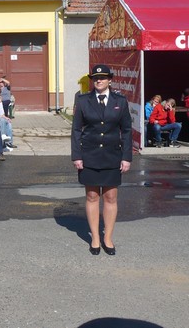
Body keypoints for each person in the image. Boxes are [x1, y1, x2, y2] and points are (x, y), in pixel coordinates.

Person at [71, 64, 132, 256]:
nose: (99, 80)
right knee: (92, 196)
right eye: (96, 78)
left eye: (103, 78)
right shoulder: (82, 101)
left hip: (113, 155)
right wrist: (77, 156)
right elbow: (76, 130)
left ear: (110, 80)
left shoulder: (120, 101)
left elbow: (127, 131)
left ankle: (108, 238)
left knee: (111, 197)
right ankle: (95, 238)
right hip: (89, 155)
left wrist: (126, 157)